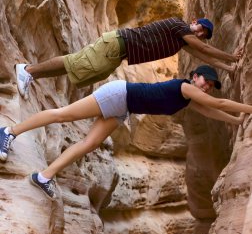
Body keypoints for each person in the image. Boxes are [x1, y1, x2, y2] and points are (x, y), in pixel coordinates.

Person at [0, 65, 250, 201]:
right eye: (205, 81)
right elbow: (219, 104)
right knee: (63, 114)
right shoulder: (186, 87)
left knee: (89, 144)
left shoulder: (187, 98)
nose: (207, 87)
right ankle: (8, 131)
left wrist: (237, 121)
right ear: (195, 77)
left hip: (123, 107)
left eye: (210, 86)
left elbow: (212, 111)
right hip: (119, 94)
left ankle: (44, 176)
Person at [15, 18, 242, 100]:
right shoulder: (179, 25)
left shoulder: (181, 41)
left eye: (204, 34)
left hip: (119, 52)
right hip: (117, 43)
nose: (200, 34)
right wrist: (232, 56)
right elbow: (202, 47)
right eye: (201, 29)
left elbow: (203, 54)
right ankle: (28, 70)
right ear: (194, 22)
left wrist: (230, 68)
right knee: (74, 63)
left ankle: (29, 74)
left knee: (79, 69)